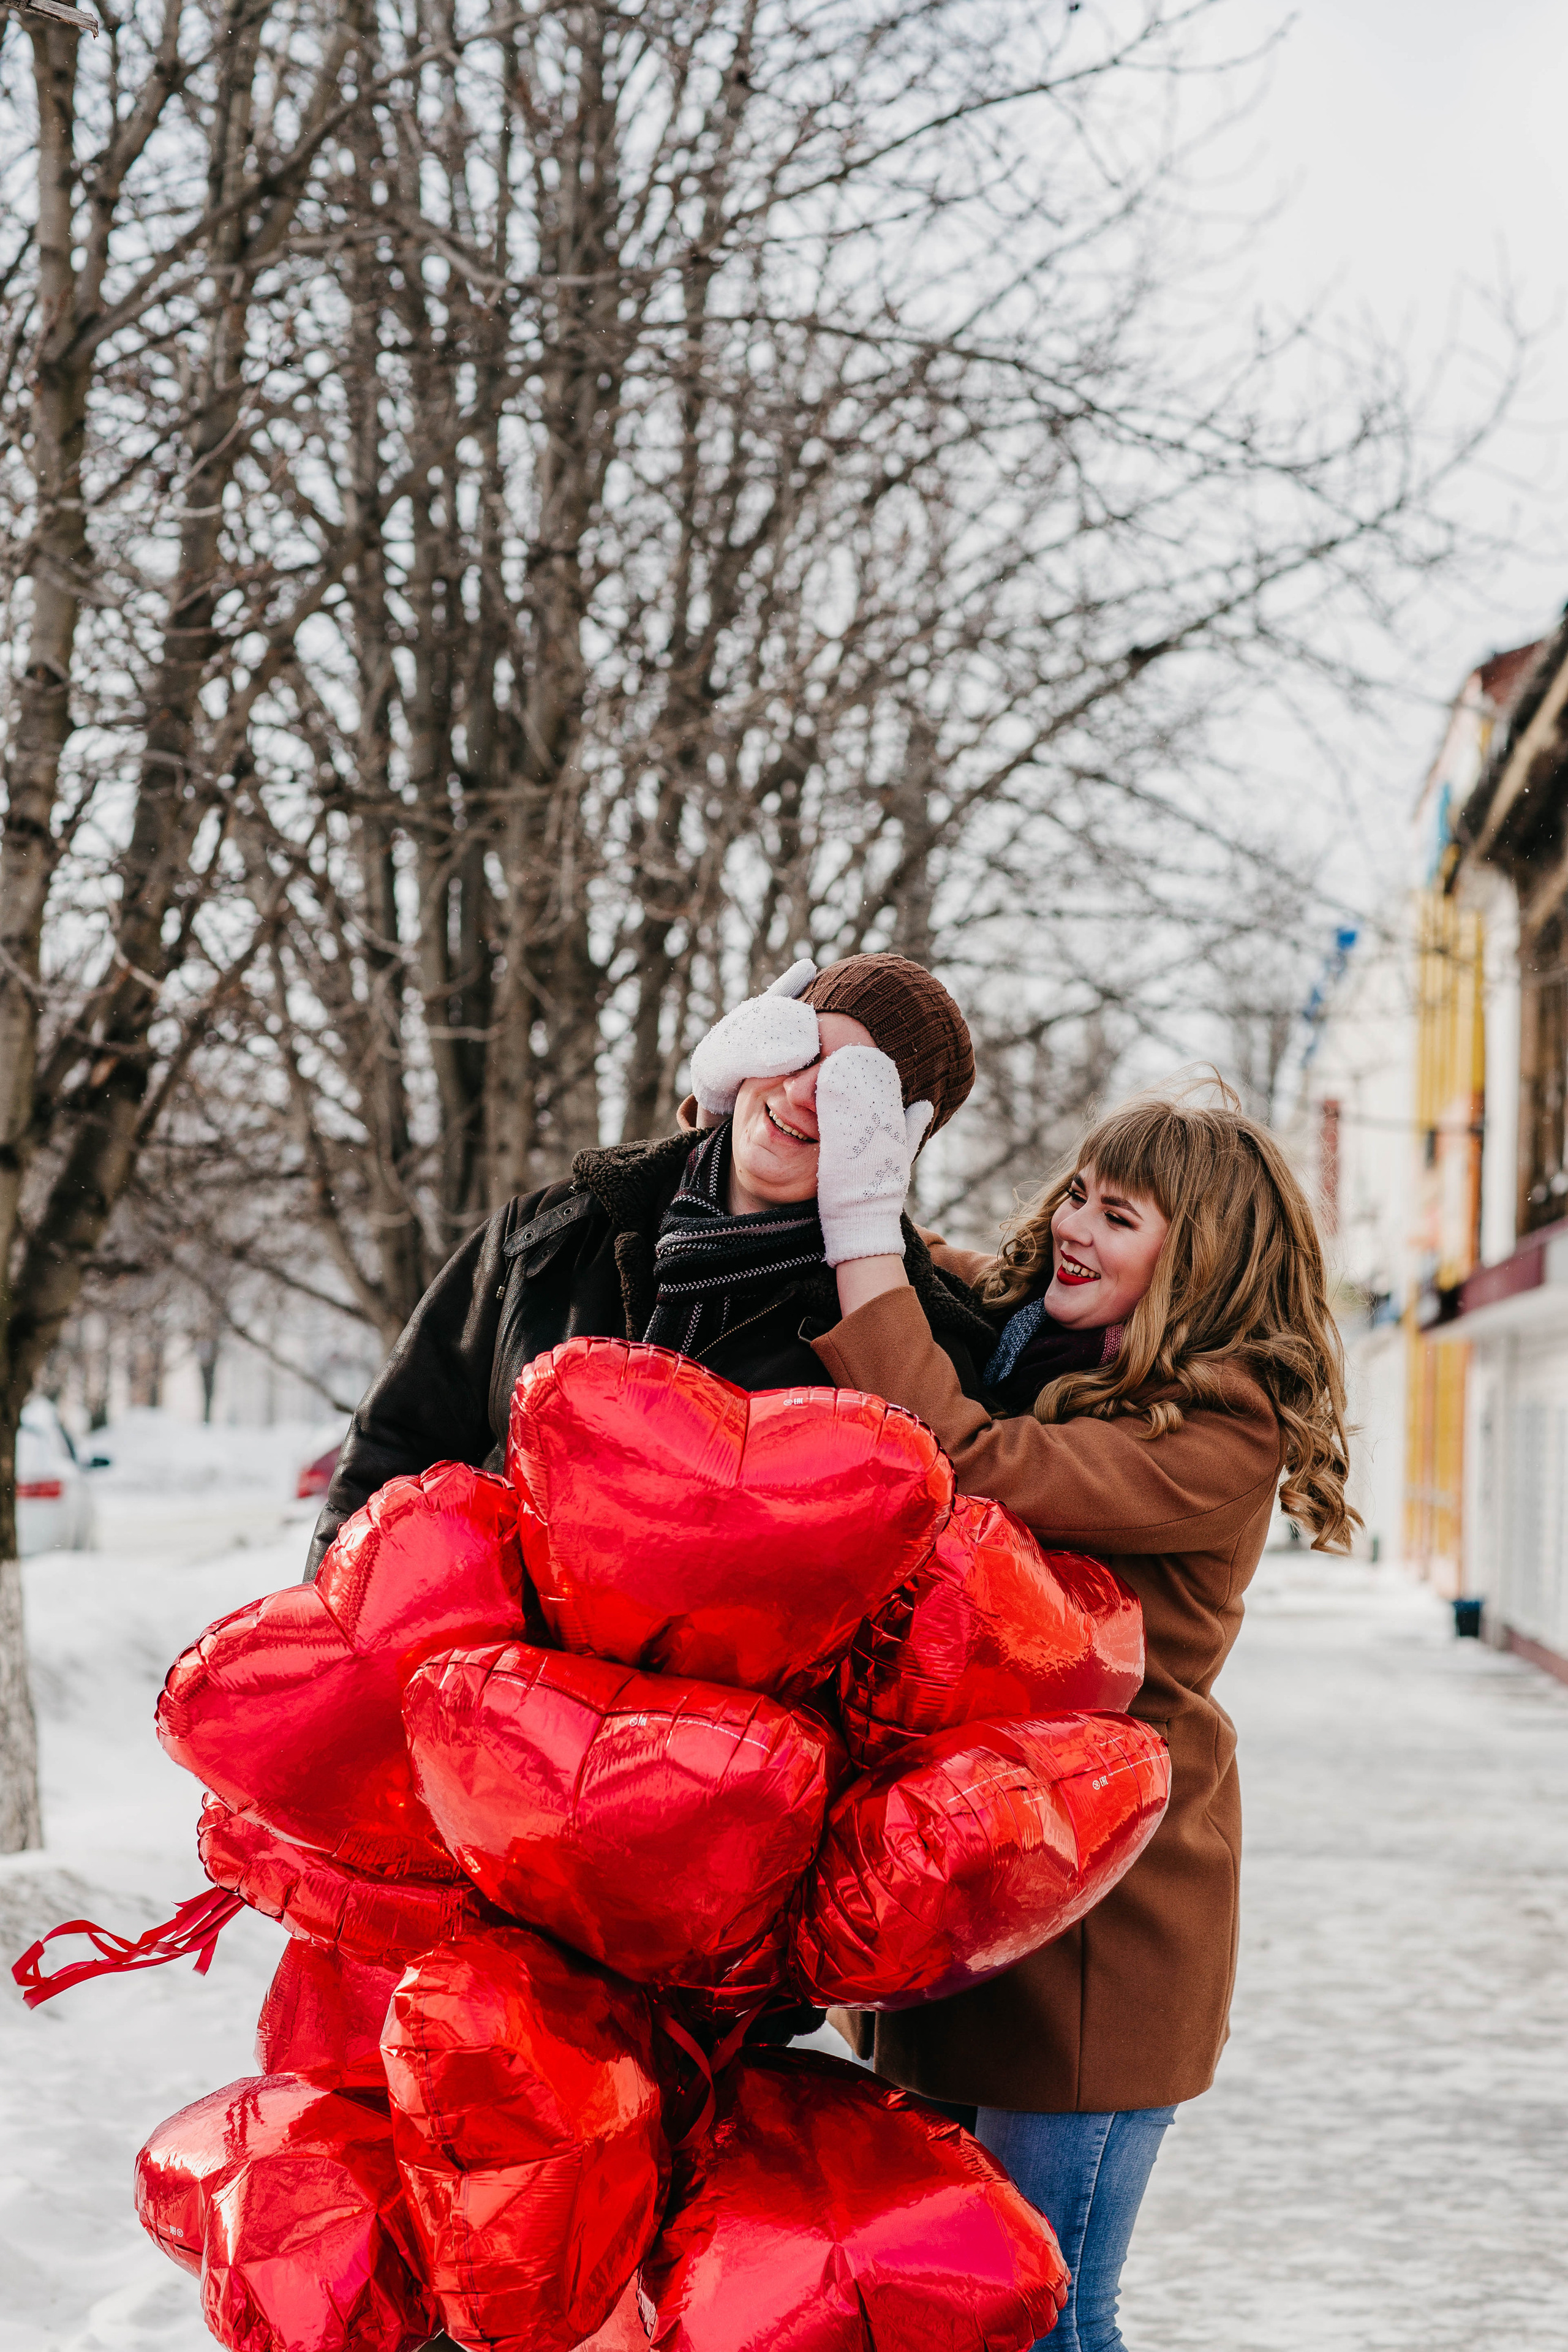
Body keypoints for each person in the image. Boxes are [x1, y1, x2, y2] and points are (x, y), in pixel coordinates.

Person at [803, 1057, 1356, 2352]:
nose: (1071, 1225)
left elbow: (975, 1464)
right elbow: (945, 1298)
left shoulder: (1221, 1426)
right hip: (978, 1874)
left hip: (1104, 1909)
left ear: (1196, 1264)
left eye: (1118, 1216)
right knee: (959, 2305)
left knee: (1048, 2315)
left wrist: (856, 1249)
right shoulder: (1032, 1344)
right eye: (1078, 1194)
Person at [306, 952, 995, 1577]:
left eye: (854, 1089)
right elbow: (392, 1451)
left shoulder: (907, 1356)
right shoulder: (551, 1233)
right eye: (799, 1047)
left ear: (896, 1141)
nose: (803, 1092)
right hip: (466, 1682)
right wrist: (343, 1637)